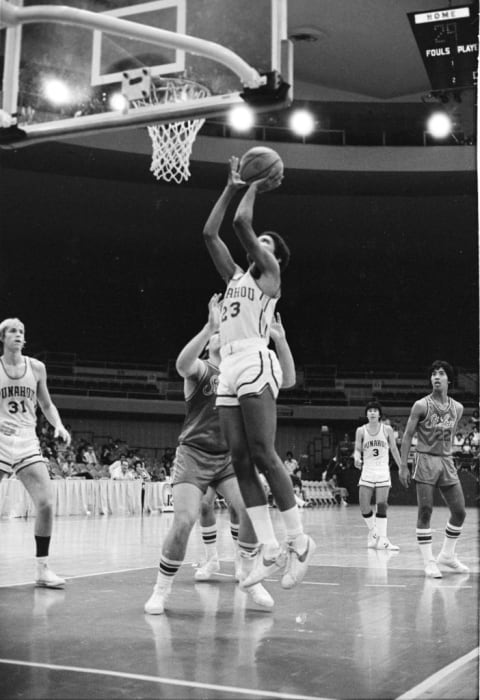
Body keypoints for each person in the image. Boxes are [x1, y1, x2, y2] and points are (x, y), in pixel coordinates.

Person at [202, 157, 315, 591]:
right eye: (257, 243)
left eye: (264, 243)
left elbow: (242, 223)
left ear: (272, 256)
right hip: (228, 364)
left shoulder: (269, 275)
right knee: (239, 458)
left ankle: (299, 541)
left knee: (265, 452)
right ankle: (269, 548)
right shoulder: (234, 277)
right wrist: (229, 187)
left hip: (254, 359)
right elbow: (210, 233)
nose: (257, 245)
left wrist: (255, 186)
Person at [145, 294, 294, 614]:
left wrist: (279, 341)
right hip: (194, 455)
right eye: (217, 333)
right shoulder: (202, 369)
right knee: (184, 520)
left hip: (228, 458)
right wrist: (208, 326)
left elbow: (288, 379)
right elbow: (181, 364)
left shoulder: (243, 373)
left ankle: (247, 573)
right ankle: (161, 589)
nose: (220, 333)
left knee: (253, 510)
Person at [0, 318, 71, 588]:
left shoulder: (37, 368)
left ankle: (42, 569)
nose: (18, 335)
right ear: (3, 337)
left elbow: (46, 403)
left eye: (21, 332)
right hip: (1, 439)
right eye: (12, 331)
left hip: (27, 440)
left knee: (46, 503)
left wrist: (59, 425)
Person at [399, 360, 469, 578]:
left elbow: (450, 434)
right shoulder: (421, 405)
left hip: (446, 460)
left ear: (449, 378)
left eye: (441, 374)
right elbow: (408, 436)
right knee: (425, 510)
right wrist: (403, 465)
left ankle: (447, 556)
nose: (436, 377)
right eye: (433, 374)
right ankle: (429, 562)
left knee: (459, 512)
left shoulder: (457, 408)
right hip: (425, 459)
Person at [354, 400, 402, 551]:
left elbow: (394, 450)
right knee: (363, 506)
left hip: (382, 471)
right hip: (367, 470)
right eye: (370, 410)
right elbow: (357, 448)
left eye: (375, 410)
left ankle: (384, 541)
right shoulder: (361, 430)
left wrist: (402, 467)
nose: (372, 412)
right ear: (366, 414)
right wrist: (356, 457)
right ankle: (374, 531)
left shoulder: (387, 429)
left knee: (381, 505)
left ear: (380, 414)